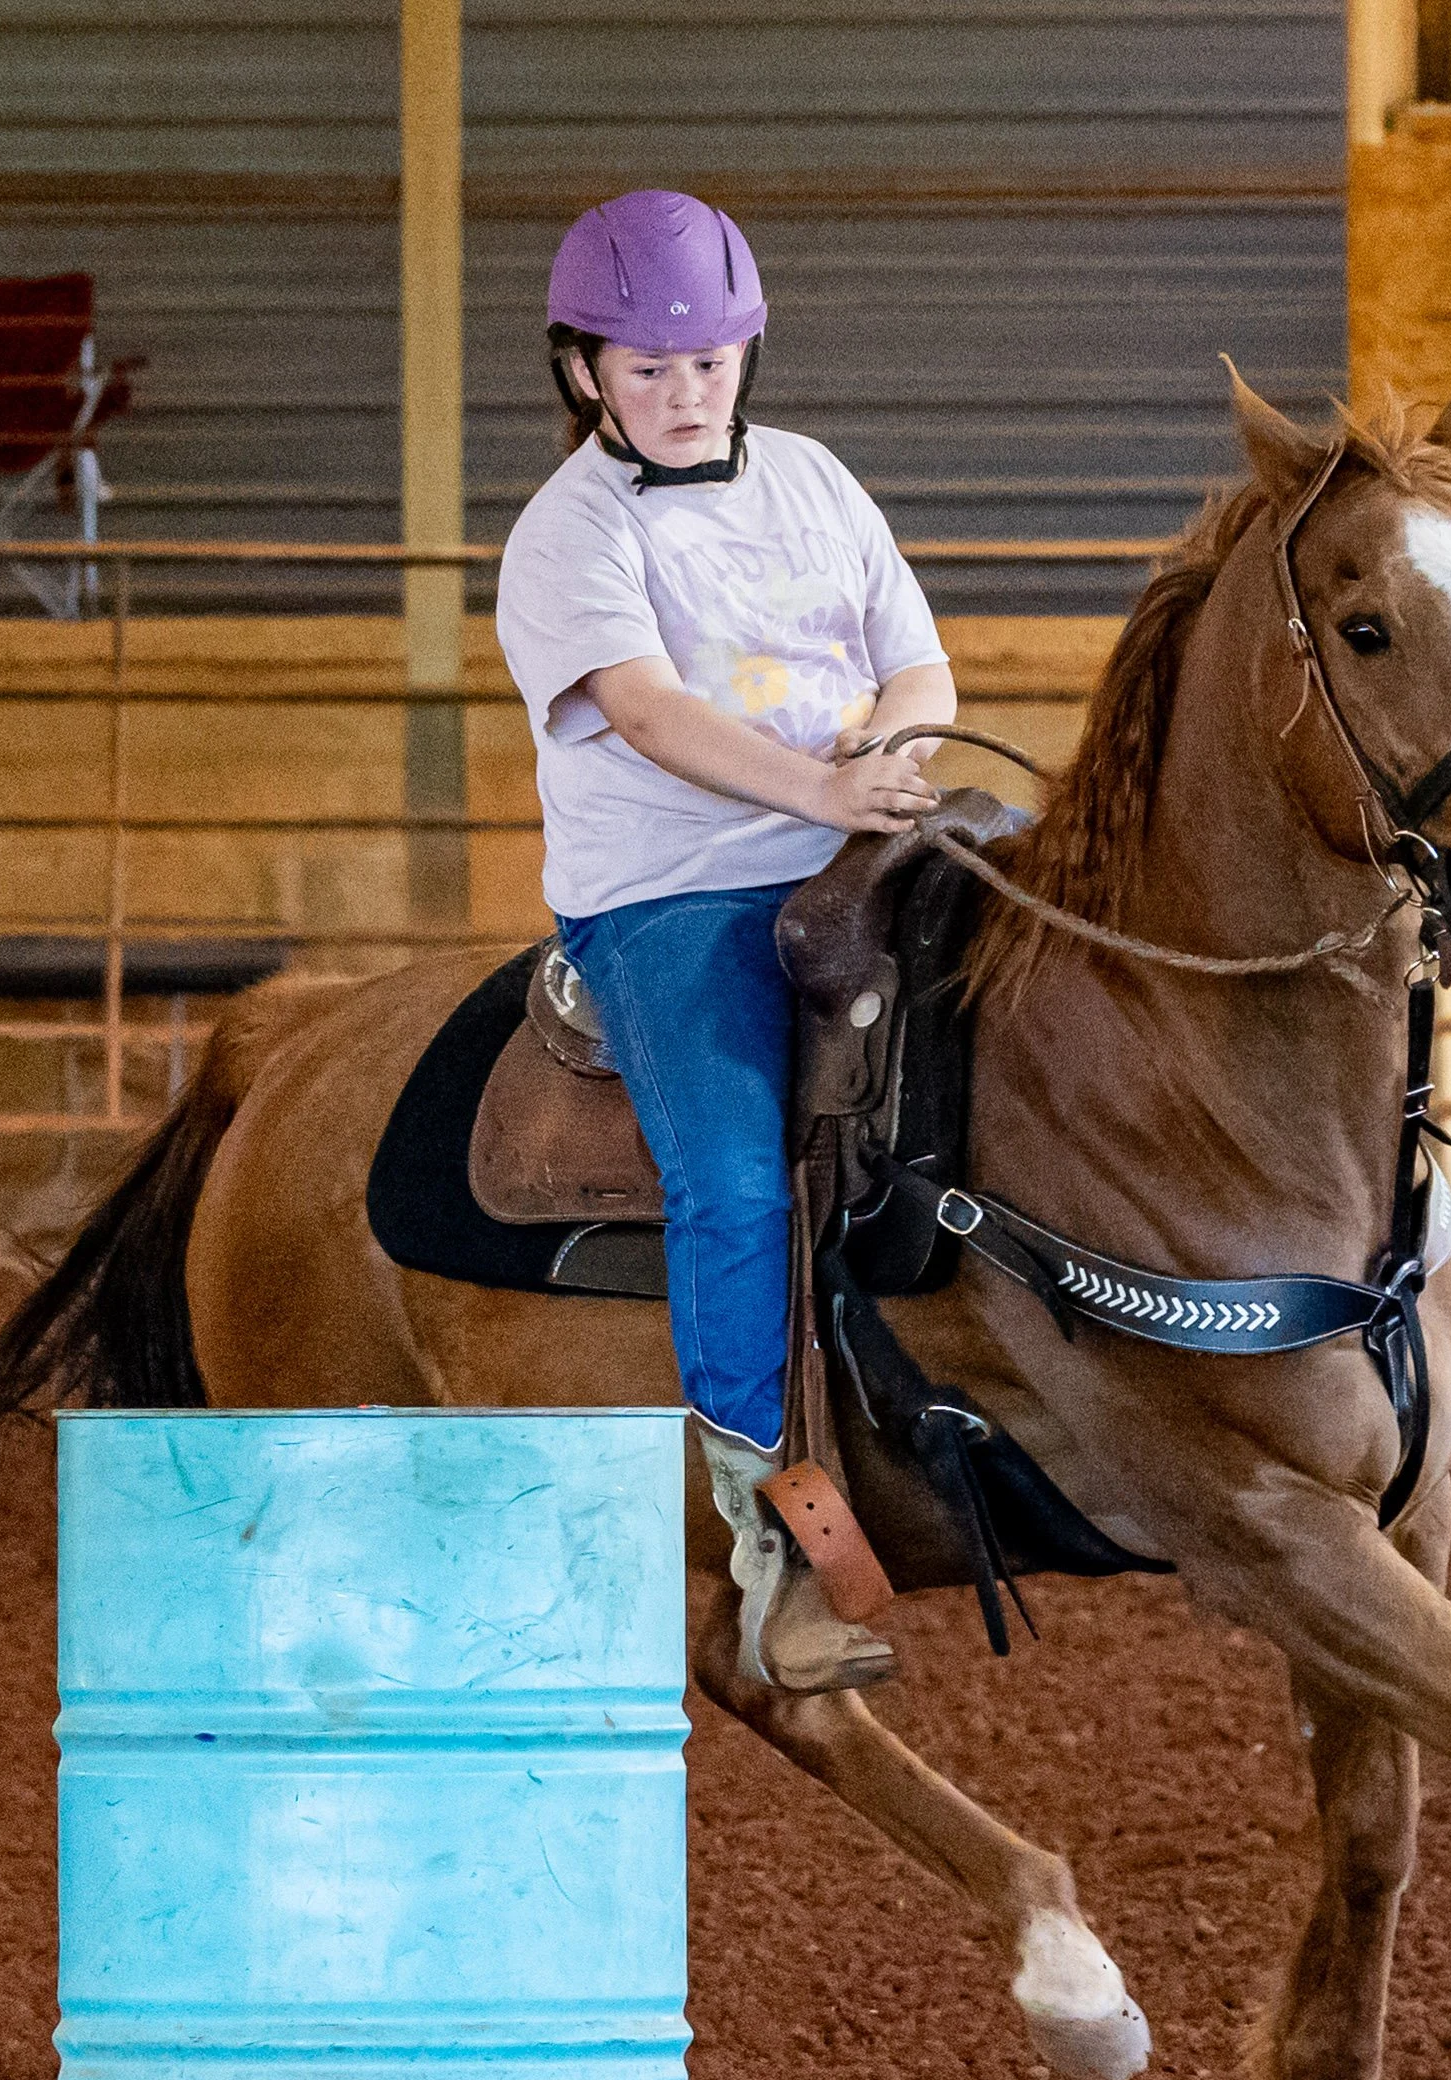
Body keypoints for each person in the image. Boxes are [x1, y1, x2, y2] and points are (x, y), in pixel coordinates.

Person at [496, 189, 956, 1696]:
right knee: (738, 1184)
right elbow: (644, 709)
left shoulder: (815, 478)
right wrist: (826, 784)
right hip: (676, 888)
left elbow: (917, 657)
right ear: (584, 373)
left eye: (709, 364)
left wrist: (891, 756)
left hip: (854, 835)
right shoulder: (567, 535)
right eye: (648, 369)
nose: (686, 394)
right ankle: (775, 1552)